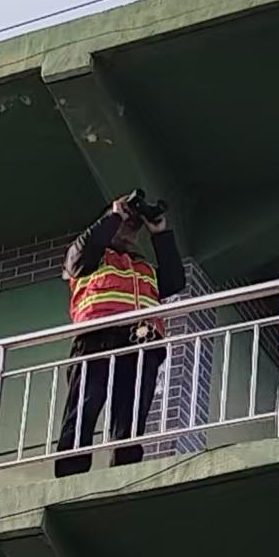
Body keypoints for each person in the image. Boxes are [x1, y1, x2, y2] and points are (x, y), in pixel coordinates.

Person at [54, 190, 185, 476]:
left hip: (141, 345)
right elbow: (77, 257)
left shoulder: (144, 268)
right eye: (124, 224)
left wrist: (160, 233)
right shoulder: (91, 258)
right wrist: (114, 215)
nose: (129, 230)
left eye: (133, 226)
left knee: (131, 416)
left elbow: (175, 281)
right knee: (84, 407)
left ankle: (124, 473)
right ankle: (70, 473)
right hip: (96, 339)